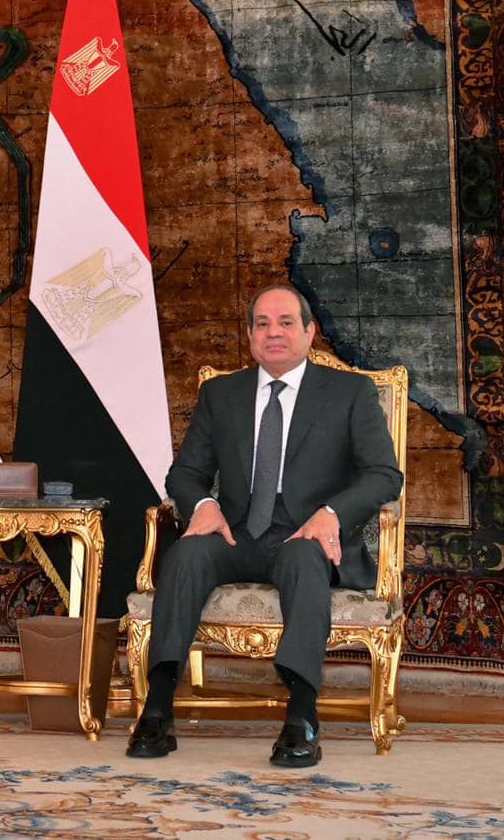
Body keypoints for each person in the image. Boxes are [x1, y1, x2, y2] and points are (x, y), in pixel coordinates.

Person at [127, 285, 402, 767]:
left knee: (303, 558)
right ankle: (158, 708)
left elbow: (384, 474)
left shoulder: (349, 393)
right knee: (186, 553)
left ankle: (302, 716)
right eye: (262, 324)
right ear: (251, 335)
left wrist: (331, 514)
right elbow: (184, 473)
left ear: (310, 332)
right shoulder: (221, 394)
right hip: (237, 534)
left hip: (304, 536)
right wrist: (203, 505)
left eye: (286, 322)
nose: (274, 332)